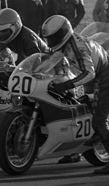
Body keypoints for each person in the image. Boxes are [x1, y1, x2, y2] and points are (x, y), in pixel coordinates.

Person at [41, 15, 109, 175]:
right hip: (97, 75)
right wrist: (38, 72)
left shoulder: (78, 46)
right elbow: (54, 58)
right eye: (48, 38)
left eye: (53, 38)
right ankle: (77, 150)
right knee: (78, 103)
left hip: (104, 77)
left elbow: (89, 74)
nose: (51, 42)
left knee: (99, 121)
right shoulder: (67, 44)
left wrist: (65, 85)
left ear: (63, 33)